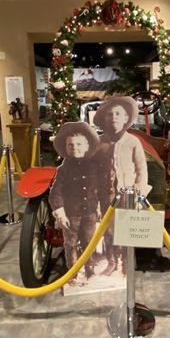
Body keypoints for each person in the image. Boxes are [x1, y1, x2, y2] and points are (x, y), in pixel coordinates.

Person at [94, 96, 151, 276]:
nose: (114, 118)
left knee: (126, 229)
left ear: (126, 118)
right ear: (104, 119)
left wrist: (138, 193)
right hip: (106, 194)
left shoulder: (133, 142)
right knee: (107, 229)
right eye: (110, 114)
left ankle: (126, 262)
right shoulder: (98, 142)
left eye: (118, 114)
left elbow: (142, 170)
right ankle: (112, 261)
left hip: (128, 193)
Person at [49, 122, 100, 284]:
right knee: (70, 243)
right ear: (65, 147)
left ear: (87, 146)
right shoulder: (63, 170)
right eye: (70, 145)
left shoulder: (94, 166)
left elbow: (98, 189)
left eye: (79, 144)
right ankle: (73, 273)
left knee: (89, 241)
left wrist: (98, 207)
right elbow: (55, 192)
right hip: (71, 214)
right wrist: (60, 212)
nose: (74, 147)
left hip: (90, 213)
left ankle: (90, 269)